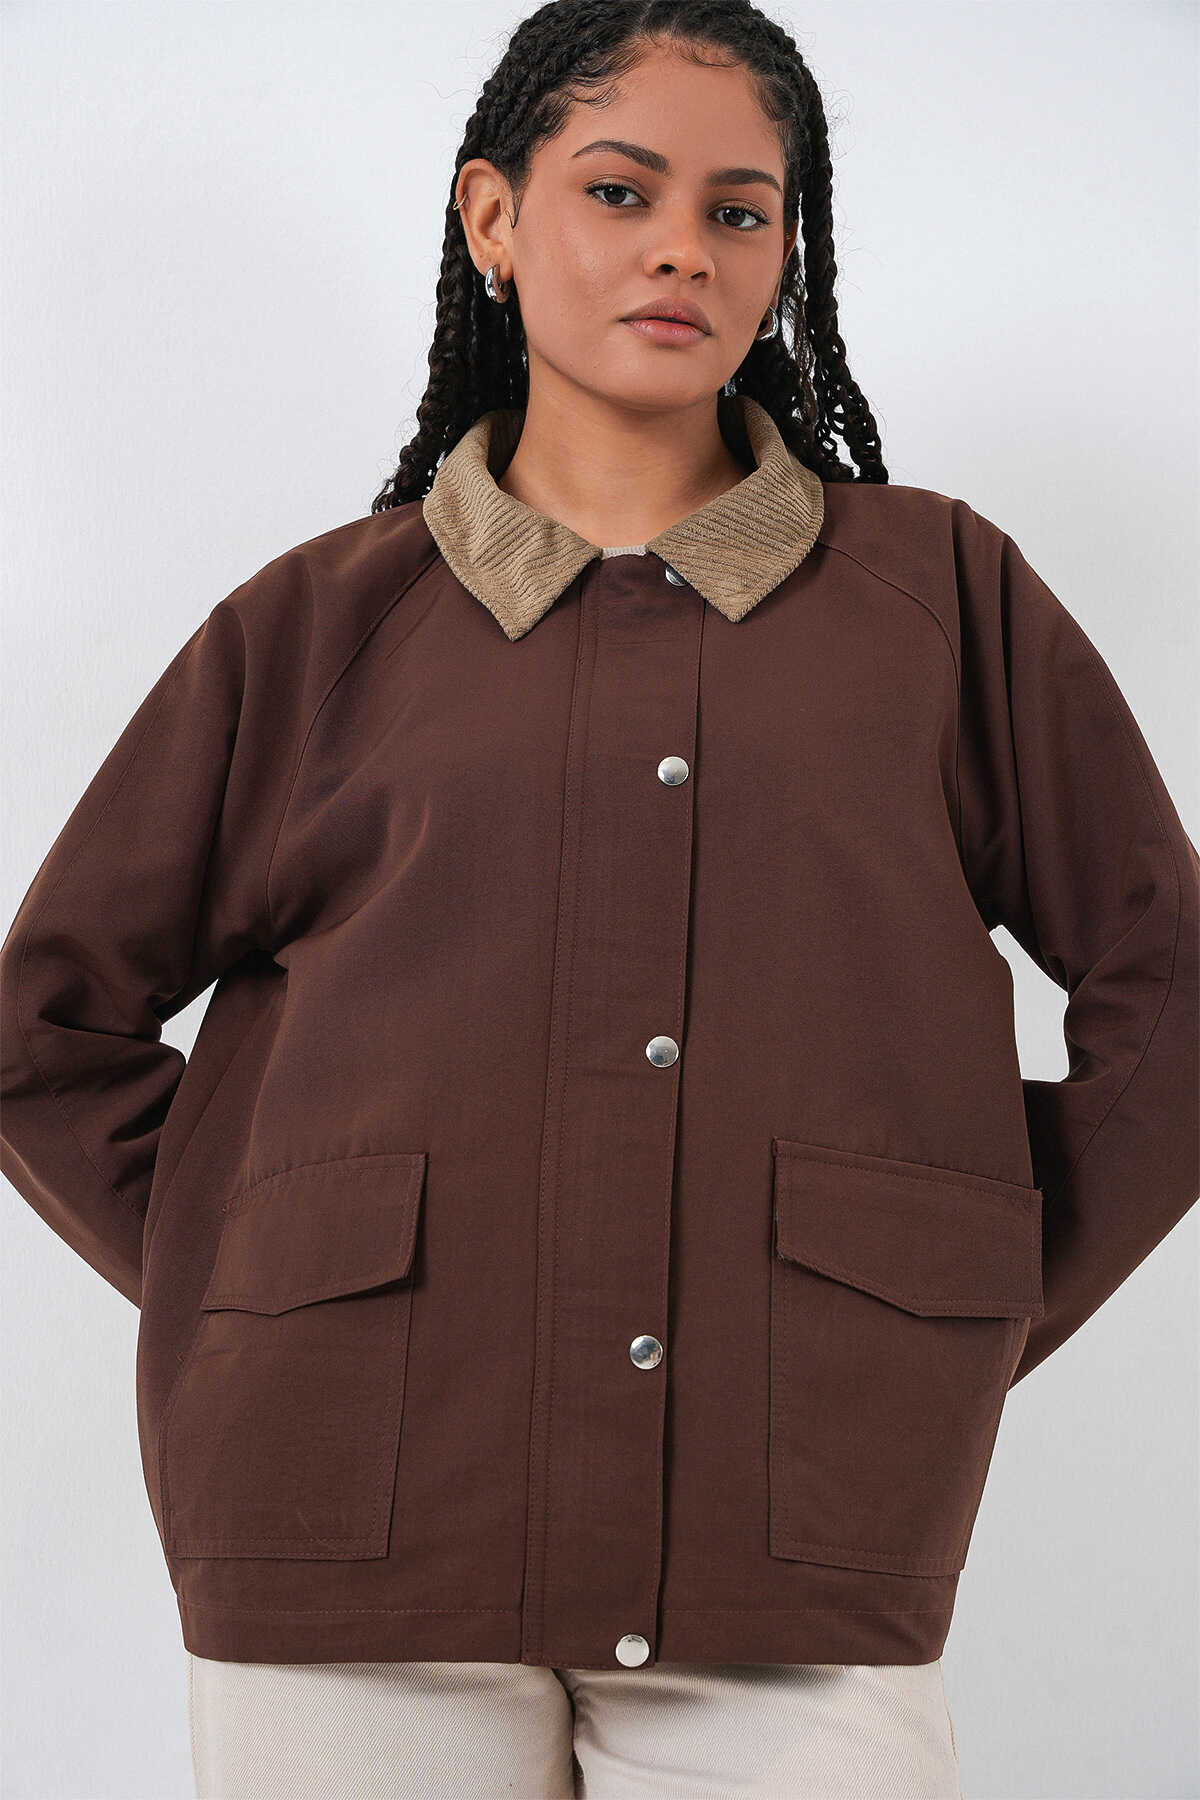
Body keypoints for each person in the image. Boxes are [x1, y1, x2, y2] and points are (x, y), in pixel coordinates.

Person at [3, 3, 1197, 1797]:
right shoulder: (317, 627)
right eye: (620, 191)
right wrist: (259, 1276)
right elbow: (46, 1028)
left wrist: (947, 1289)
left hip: (795, 1532)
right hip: (354, 1526)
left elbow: (1172, 996)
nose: (682, 249)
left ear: (786, 252)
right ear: (493, 218)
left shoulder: (940, 601)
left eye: (740, 210)